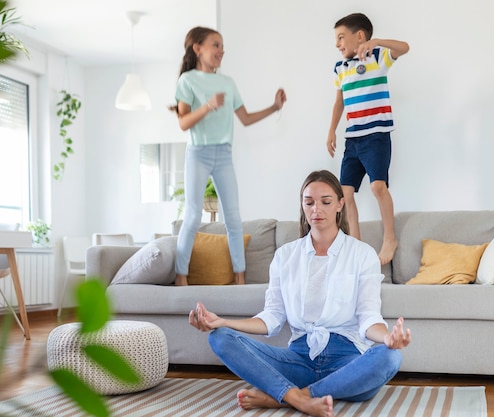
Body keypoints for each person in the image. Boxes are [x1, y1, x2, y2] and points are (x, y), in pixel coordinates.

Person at [189, 170, 411, 417]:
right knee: (219, 338)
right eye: (309, 202)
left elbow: (368, 316)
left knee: (390, 357)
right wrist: (221, 322)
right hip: (297, 361)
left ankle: (288, 397)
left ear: (340, 204)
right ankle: (298, 396)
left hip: (346, 363)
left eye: (326, 202)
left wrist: (387, 338)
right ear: (302, 206)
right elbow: (272, 317)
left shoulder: (362, 254)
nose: (317, 209)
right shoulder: (285, 256)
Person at [171, 26, 286, 286]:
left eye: (222, 46)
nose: (221, 51)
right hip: (198, 153)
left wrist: (274, 107)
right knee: (192, 215)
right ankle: (181, 276)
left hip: (223, 154)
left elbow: (244, 118)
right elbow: (183, 123)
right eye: (216, 45)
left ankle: (239, 277)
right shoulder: (187, 80)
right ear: (197, 48)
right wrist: (208, 106)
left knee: (233, 217)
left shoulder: (227, 83)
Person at [326, 13, 410, 265]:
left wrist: (377, 42)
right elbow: (339, 102)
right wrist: (331, 130)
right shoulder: (340, 68)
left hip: (376, 136)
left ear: (359, 36)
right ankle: (356, 245)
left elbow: (405, 48)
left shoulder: (377, 58)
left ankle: (390, 238)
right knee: (344, 194)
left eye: (341, 37)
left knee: (377, 187)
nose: (337, 43)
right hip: (353, 139)